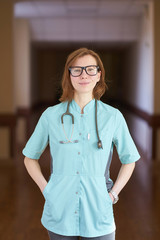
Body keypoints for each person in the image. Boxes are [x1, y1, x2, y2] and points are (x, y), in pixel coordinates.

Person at [22, 47, 141, 240]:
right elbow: (29, 158)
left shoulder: (113, 117)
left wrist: (113, 195)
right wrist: (47, 190)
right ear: (69, 75)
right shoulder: (51, 116)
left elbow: (130, 160)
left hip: (99, 213)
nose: (83, 75)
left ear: (98, 75)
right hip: (60, 211)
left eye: (90, 69)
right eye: (76, 70)